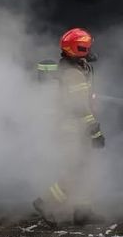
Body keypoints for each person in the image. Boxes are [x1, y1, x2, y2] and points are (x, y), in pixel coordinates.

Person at [33, 28, 105, 225]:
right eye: (86, 48)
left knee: (86, 169)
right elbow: (80, 107)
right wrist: (95, 130)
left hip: (76, 127)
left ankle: (83, 212)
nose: (90, 51)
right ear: (78, 49)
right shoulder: (73, 74)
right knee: (75, 170)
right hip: (73, 129)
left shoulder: (76, 68)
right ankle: (45, 202)